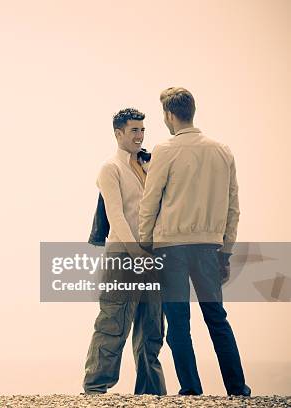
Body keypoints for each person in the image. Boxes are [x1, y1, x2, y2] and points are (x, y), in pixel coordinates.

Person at [139, 87, 251, 396]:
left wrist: (145, 243)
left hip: (171, 247)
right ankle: (237, 388)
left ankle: (191, 389)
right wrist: (226, 251)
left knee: (178, 322)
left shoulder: (165, 150)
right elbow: (233, 206)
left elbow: (150, 201)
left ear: (170, 115)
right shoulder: (222, 150)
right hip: (209, 248)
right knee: (216, 318)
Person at [83, 108, 166, 395]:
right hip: (122, 258)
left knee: (152, 328)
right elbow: (115, 215)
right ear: (118, 133)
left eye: (142, 130)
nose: (140, 135)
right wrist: (136, 252)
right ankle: (95, 389)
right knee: (113, 325)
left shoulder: (148, 165)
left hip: (151, 257)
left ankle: (152, 393)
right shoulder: (110, 168)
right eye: (134, 130)